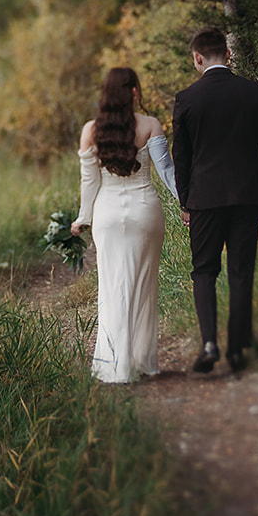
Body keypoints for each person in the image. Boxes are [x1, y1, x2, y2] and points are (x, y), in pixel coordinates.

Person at [172, 26, 258, 374]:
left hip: (204, 199)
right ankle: (236, 349)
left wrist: (186, 202)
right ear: (228, 54)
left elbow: (182, 158)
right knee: (241, 271)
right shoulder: (254, 93)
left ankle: (210, 343)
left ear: (197, 58)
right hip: (247, 196)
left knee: (204, 271)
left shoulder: (187, 99)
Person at [70, 67, 181, 383]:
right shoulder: (151, 125)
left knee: (112, 287)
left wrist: (83, 217)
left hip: (107, 214)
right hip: (144, 212)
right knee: (143, 286)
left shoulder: (90, 130)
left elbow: (89, 182)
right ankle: (143, 361)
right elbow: (167, 172)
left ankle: (114, 365)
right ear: (133, 91)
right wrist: (187, 203)